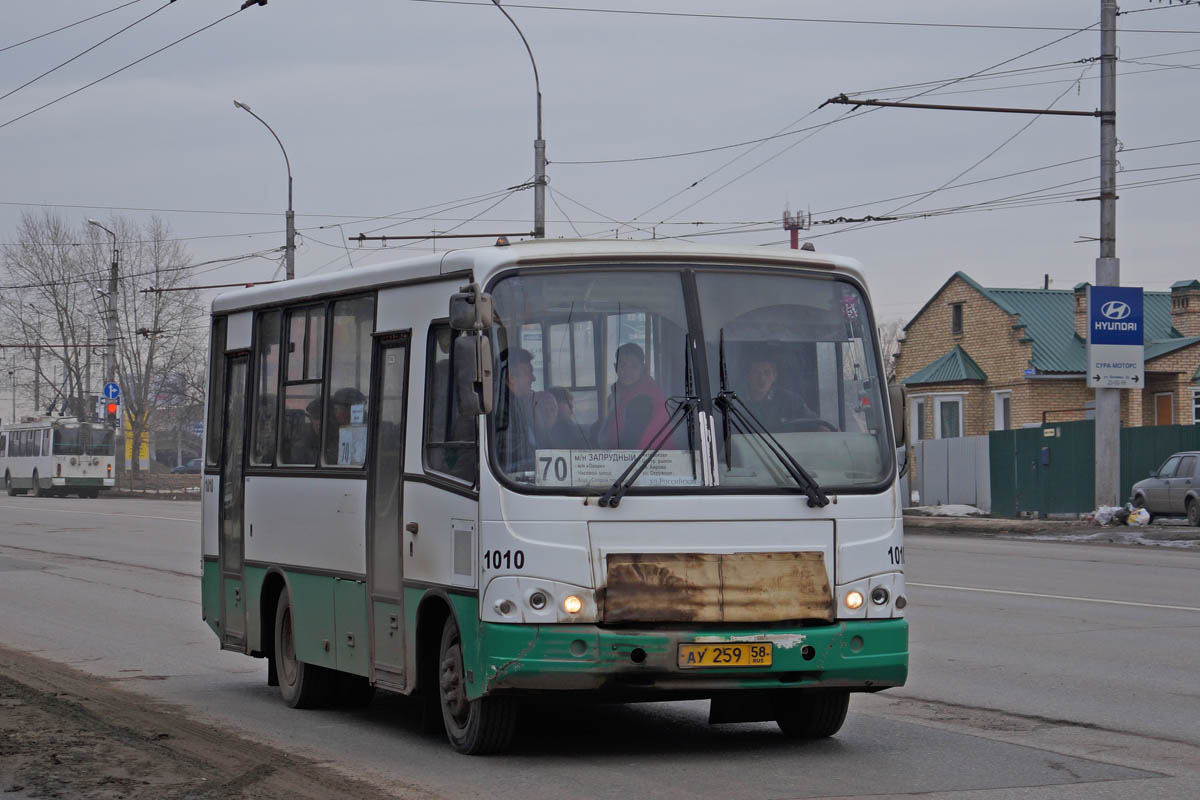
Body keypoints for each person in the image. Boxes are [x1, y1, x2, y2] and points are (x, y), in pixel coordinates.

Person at [595, 343, 669, 449]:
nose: (627, 371)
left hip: (651, 461)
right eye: (623, 365)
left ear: (642, 368)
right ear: (615, 367)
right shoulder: (618, 396)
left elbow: (629, 444)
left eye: (634, 366)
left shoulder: (644, 399)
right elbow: (607, 426)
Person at [742, 356, 822, 432]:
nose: (762, 378)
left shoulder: (791, 400)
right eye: (756, 372)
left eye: (767, 372)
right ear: (748, 376)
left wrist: (821, 428)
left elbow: (813, 423)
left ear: (775, 376)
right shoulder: (736, 400)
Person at [495, 348, 538, 472]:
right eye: (528, 373)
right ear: (512, 377)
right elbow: (507, 455)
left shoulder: (516, 402)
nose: (533, 378)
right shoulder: (501, 405)